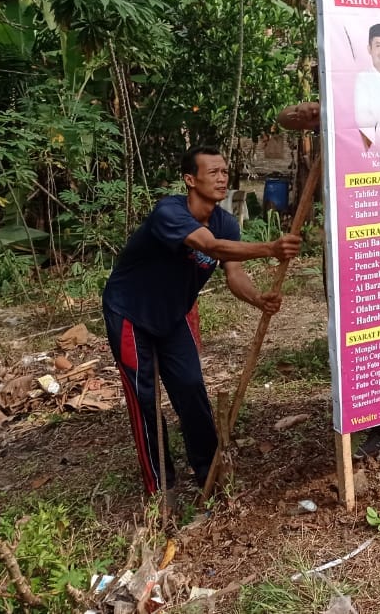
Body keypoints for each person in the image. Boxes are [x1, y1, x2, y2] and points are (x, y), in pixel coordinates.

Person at [102, 147, 302, 498]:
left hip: (173, 316)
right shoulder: (170, 212)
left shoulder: (227, 222)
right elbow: (210, 247)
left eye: (225, 171)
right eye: (213, 172)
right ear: (190, 180)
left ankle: (210, 471)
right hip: (131, 313)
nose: (222, 177)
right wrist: (270, 248)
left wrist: (258, 299)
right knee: (144, 397)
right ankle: (159, 485)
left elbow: (234, 274)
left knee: (192, 388)